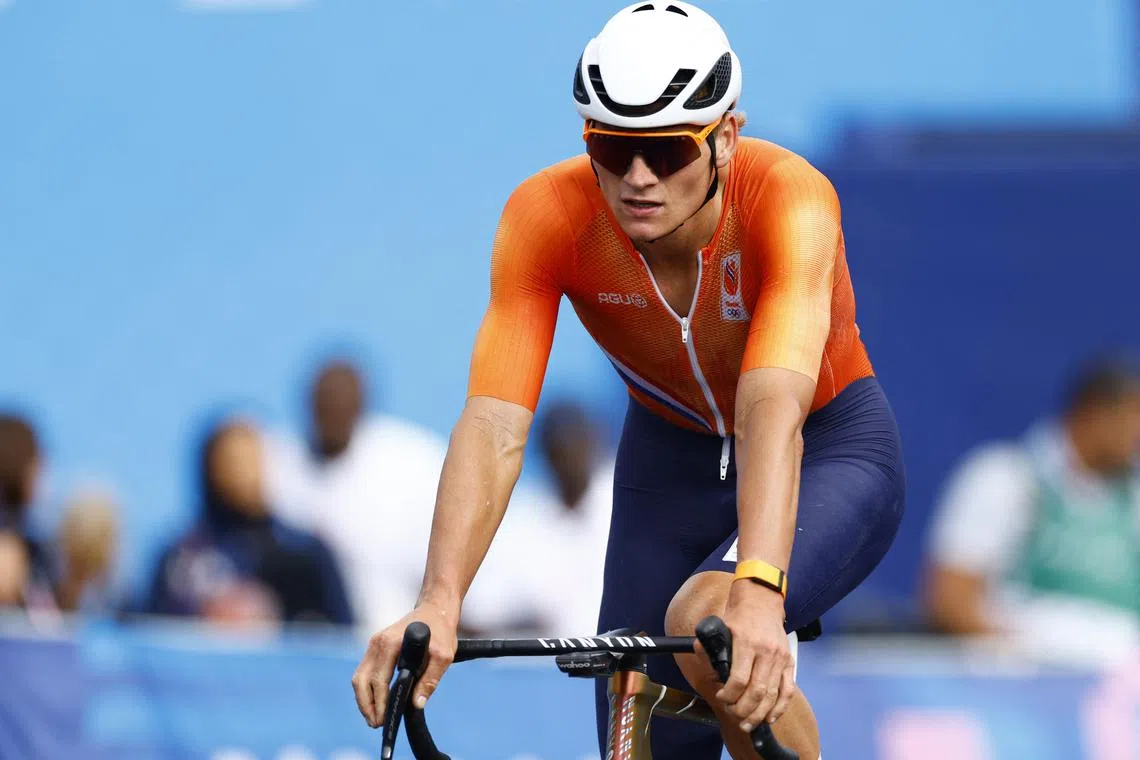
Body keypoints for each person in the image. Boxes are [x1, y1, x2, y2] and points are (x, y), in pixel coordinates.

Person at [352, 4, 905, 759]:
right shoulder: (546, 214)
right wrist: (438, 603)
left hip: (826, 445)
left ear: (726, 138)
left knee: (712, 622)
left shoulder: (790, 197)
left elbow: (771, 406)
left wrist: (760, 590)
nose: (638, 178)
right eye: (611, 150)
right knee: (635, 728)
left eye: (669, 153)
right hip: (667, 464)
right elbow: (494, 425)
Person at [925, 358, 1140, 666]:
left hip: (1122, 697)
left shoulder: (1134, 501)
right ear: (1096, 415)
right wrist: (1031, 666)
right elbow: (951, 601)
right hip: (1022, 691)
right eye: (1135, 417)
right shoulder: (1004, 478)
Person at [265, 359, 448, 632]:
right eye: (325, 405)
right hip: (306, 641)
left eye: (341, 403)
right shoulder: (277, 467)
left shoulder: (413, 462)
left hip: (397, 636)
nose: (333, 412)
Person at [147, 415, 353, 627]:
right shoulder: (182, 560)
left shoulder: (305, 554)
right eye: (232, 460)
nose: (244, 471)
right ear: (210, 467)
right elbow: (154, 633)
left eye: (252, 458)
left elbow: (341, 637)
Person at [462, 400, 614, 636]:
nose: (569, 455)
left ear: (595, 441)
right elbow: (482, 612)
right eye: (559, 447)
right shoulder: (525, 521)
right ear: (545, 453)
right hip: (548, 665)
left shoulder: (622, 502)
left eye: (575, 442)